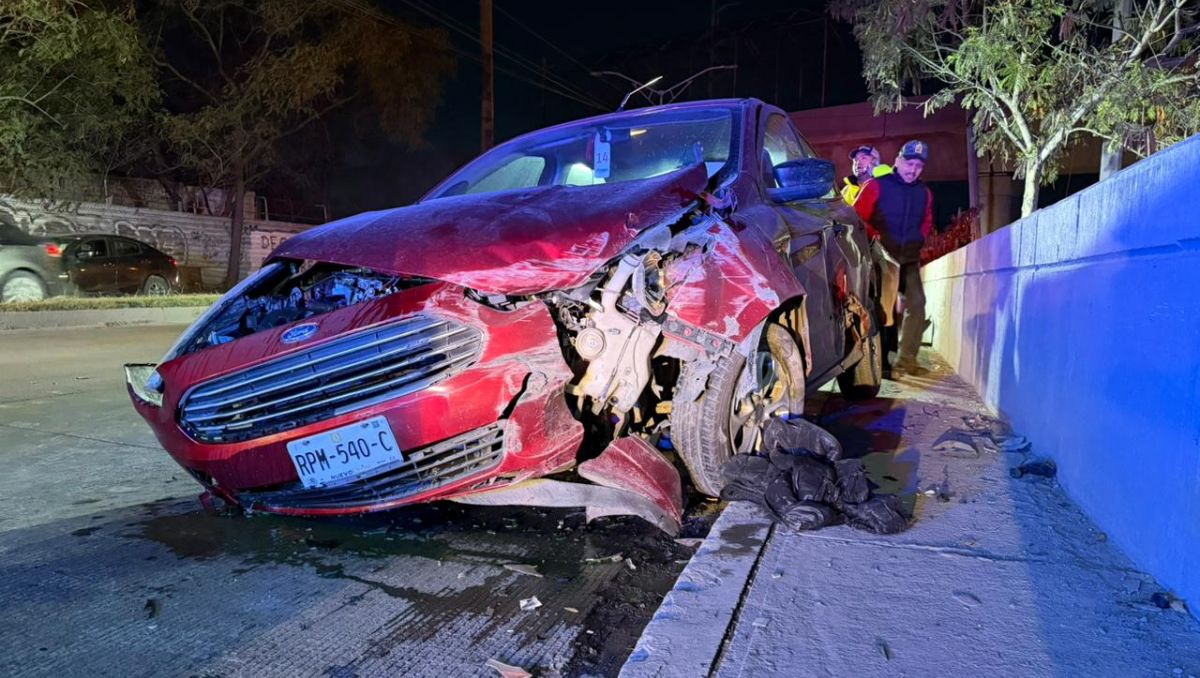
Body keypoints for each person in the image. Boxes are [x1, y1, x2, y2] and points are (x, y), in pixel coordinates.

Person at [853, 140, 933, 376]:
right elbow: (857, 217)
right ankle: (882, 363)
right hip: (881, 257)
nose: (913, 169)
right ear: (898, 161)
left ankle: (907, 359)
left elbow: (927, 219)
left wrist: (921, 237)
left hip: (908, 259)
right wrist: (873, 235)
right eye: (909, 163)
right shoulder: (877, 186)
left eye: (919, 165)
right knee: (882, 309)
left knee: (917, 303)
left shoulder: (924, 193)